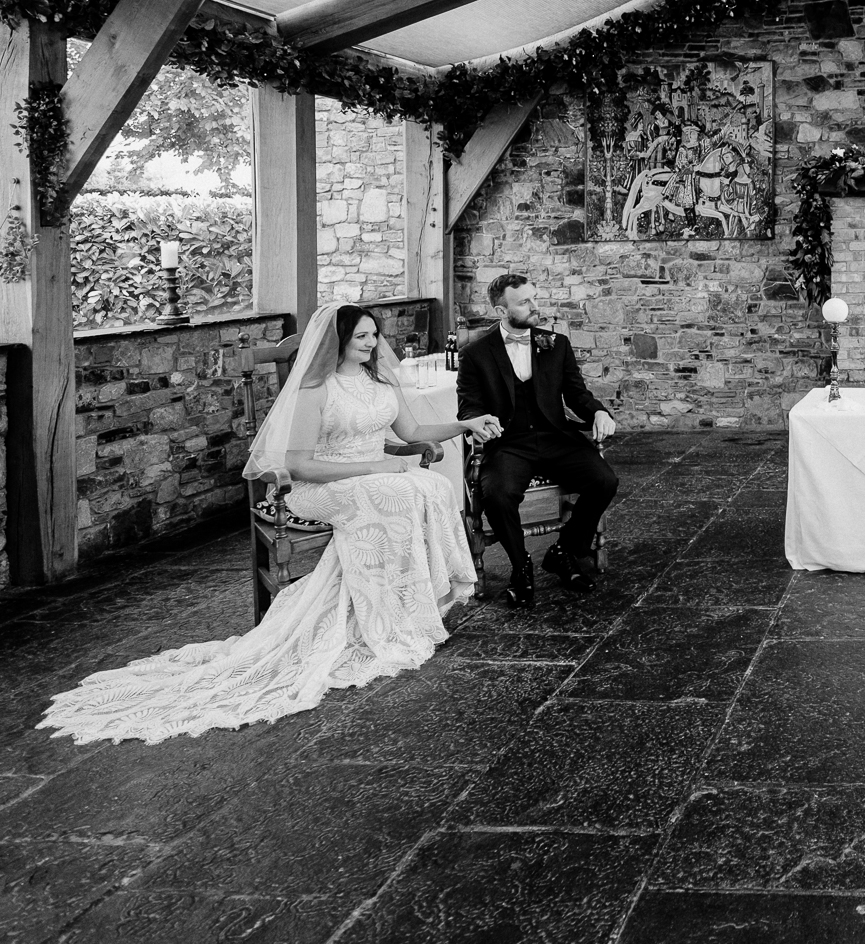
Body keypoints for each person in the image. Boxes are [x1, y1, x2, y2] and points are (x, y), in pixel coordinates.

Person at [39, 304, 497, 745]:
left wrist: (466, 424)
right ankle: (383, 617)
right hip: (323, 485)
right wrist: (375, 468)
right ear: (337, 341)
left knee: (430, 488)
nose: (372, 343)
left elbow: (414, 434)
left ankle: (407, 608)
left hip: (372, 477)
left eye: (374, 336)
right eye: (361, 336)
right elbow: (300, 466)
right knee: (395, 491)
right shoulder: (315, 390)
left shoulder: (380, 382)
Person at [458, 273, 620, 608]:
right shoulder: (476, 354)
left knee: (605, 480)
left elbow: (577, 395)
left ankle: (566, 550)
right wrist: (481, 423)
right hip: (508, 444)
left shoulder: (555, 344)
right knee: (498, 495)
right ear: (502, 311)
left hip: (555, 436)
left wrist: (599, 413)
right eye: (524, 302)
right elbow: (469, 407)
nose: (535, 306)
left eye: (535, 298)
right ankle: (521, 567)